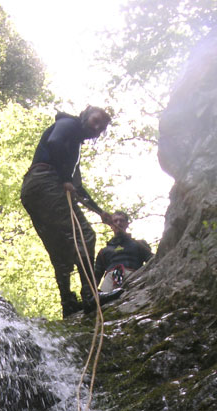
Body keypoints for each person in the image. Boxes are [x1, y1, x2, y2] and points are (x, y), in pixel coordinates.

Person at [21, 106, 115, 318]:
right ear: (85, 115)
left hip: (34, 188)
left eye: (101, 128)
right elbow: (55, 144)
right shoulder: (68, 123)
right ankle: (90, 294)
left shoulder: (72, 147)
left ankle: (68, 302)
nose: (97, 128)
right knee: (85, 235)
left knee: (60, 248)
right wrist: (64, 178)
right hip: (46, 182)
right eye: (95, 121)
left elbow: (76, 186)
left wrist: (100, 212)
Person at [95, 211, 153, 294]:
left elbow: (153, 261)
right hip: (110, 281)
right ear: (111, 225)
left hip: (135, 277)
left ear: (127, 224)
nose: (118, 223)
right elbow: (96, 277)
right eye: (115, 221)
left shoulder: (139, 244)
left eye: (121, 220)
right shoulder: (103, 251)